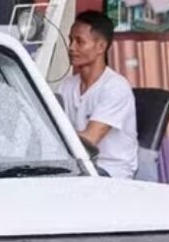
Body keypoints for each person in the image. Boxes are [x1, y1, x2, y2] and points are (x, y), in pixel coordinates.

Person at [55, 10, 138, 179]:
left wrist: (51, 136)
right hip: (78, 166)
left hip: (111, 170)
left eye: (79, 42)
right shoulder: (67, 85)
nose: (71, 48)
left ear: (101, 47)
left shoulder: (115, 87)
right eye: (71, 40)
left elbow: (89, 140)